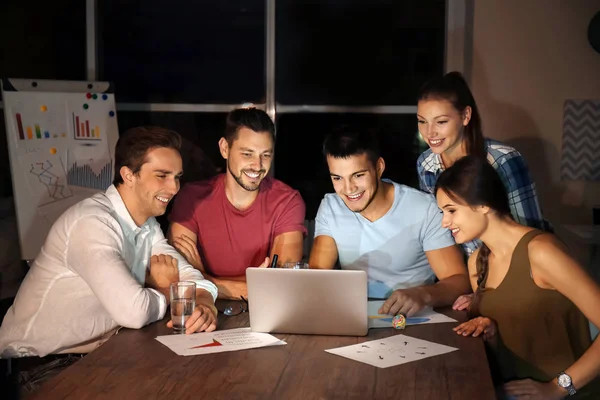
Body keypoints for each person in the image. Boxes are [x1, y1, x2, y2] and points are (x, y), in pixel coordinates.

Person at [0, 126, 218, 395]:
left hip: (99, 356)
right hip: (42, 367)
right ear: (129, 175)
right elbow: (135, 312)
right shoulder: (92, 223)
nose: (173, 187)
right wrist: (166, 289)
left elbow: (189, 277)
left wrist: (206, 303)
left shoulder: (148, 225)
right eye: (161, 176)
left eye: (177, 177)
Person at [436, 155, 600, 399]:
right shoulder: (476, 262)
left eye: (451, 210)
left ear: (483, 205)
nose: (444, 222)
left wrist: (556, 387)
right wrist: (489, 329)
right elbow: (513, 341)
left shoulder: (541, 252)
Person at [308, 127, 470, 316]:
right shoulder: (331, 206)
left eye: (358, 175)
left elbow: (458, 281)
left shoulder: (423, 208)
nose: (349, 189)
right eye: (337, 178)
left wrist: (422, 294)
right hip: (353, 316)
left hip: (413, 319)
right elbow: (316, 279)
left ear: (379, 167)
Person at [168, 108, 307, 300]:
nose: (257, 166)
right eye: (247, 154)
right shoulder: (191, 198)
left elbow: (280, 285)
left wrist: (204, 279)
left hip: (262, 311)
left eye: (265, 155)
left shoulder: (287, 201)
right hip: (202, 306)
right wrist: (254, 286)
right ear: (225, 148)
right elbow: (177, 281)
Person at [416, 71, 552, 258]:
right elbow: (441, 229)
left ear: (465, 116)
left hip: (512, 262)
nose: (429, 132)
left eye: (441, 122)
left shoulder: (502, 160)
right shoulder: (426, 165)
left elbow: (530, 233)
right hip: (468, 268)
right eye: (422, 122)